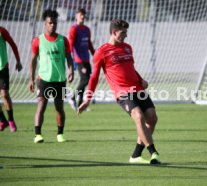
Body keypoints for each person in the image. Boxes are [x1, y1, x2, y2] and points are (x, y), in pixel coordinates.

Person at [78, 19, 161, 164]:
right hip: (122, 91)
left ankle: (136, 156)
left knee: (152, 118)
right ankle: (153, 152)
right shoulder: (101, 51)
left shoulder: (128, 48)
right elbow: (94, 77)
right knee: (138, 116)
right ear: (114, 32)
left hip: (138, 88)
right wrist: (88, 99)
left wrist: (141, 79)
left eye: (126, 32)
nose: (126, 35)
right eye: (123, 32)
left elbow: (130, 68)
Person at [28, 9, 74, 143]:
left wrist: (71, 70)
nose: (53, 25)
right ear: (45, 24)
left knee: (59, 108)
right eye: (50, 23)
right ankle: (38, 134)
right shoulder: (38, 40)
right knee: (41, 106)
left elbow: (69, 57)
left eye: (54, 23)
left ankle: (60, 134)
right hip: (43, 79)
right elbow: (33, 60)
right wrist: (31, 79)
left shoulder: (63, 40)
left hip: (60, 80)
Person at [68, 8, 95, 111]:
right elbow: (70, 44)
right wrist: (71, 59)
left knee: (86, 80)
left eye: (83, 15)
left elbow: (89, 44)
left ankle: (79, 104)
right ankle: (72, 98)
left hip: (86, 59)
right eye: (80, 15)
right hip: (78, 59)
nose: (82, 16)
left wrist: (94, 54)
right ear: (76, 16)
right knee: (85, 79)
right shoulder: (73, 29)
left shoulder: (87, 29)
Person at [0, 26, 23, 132]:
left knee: (4, 94)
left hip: (2, 67)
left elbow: (13, 45)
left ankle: (11, 120)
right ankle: (2, 121)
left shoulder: (2, 30)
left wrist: (18, 60)